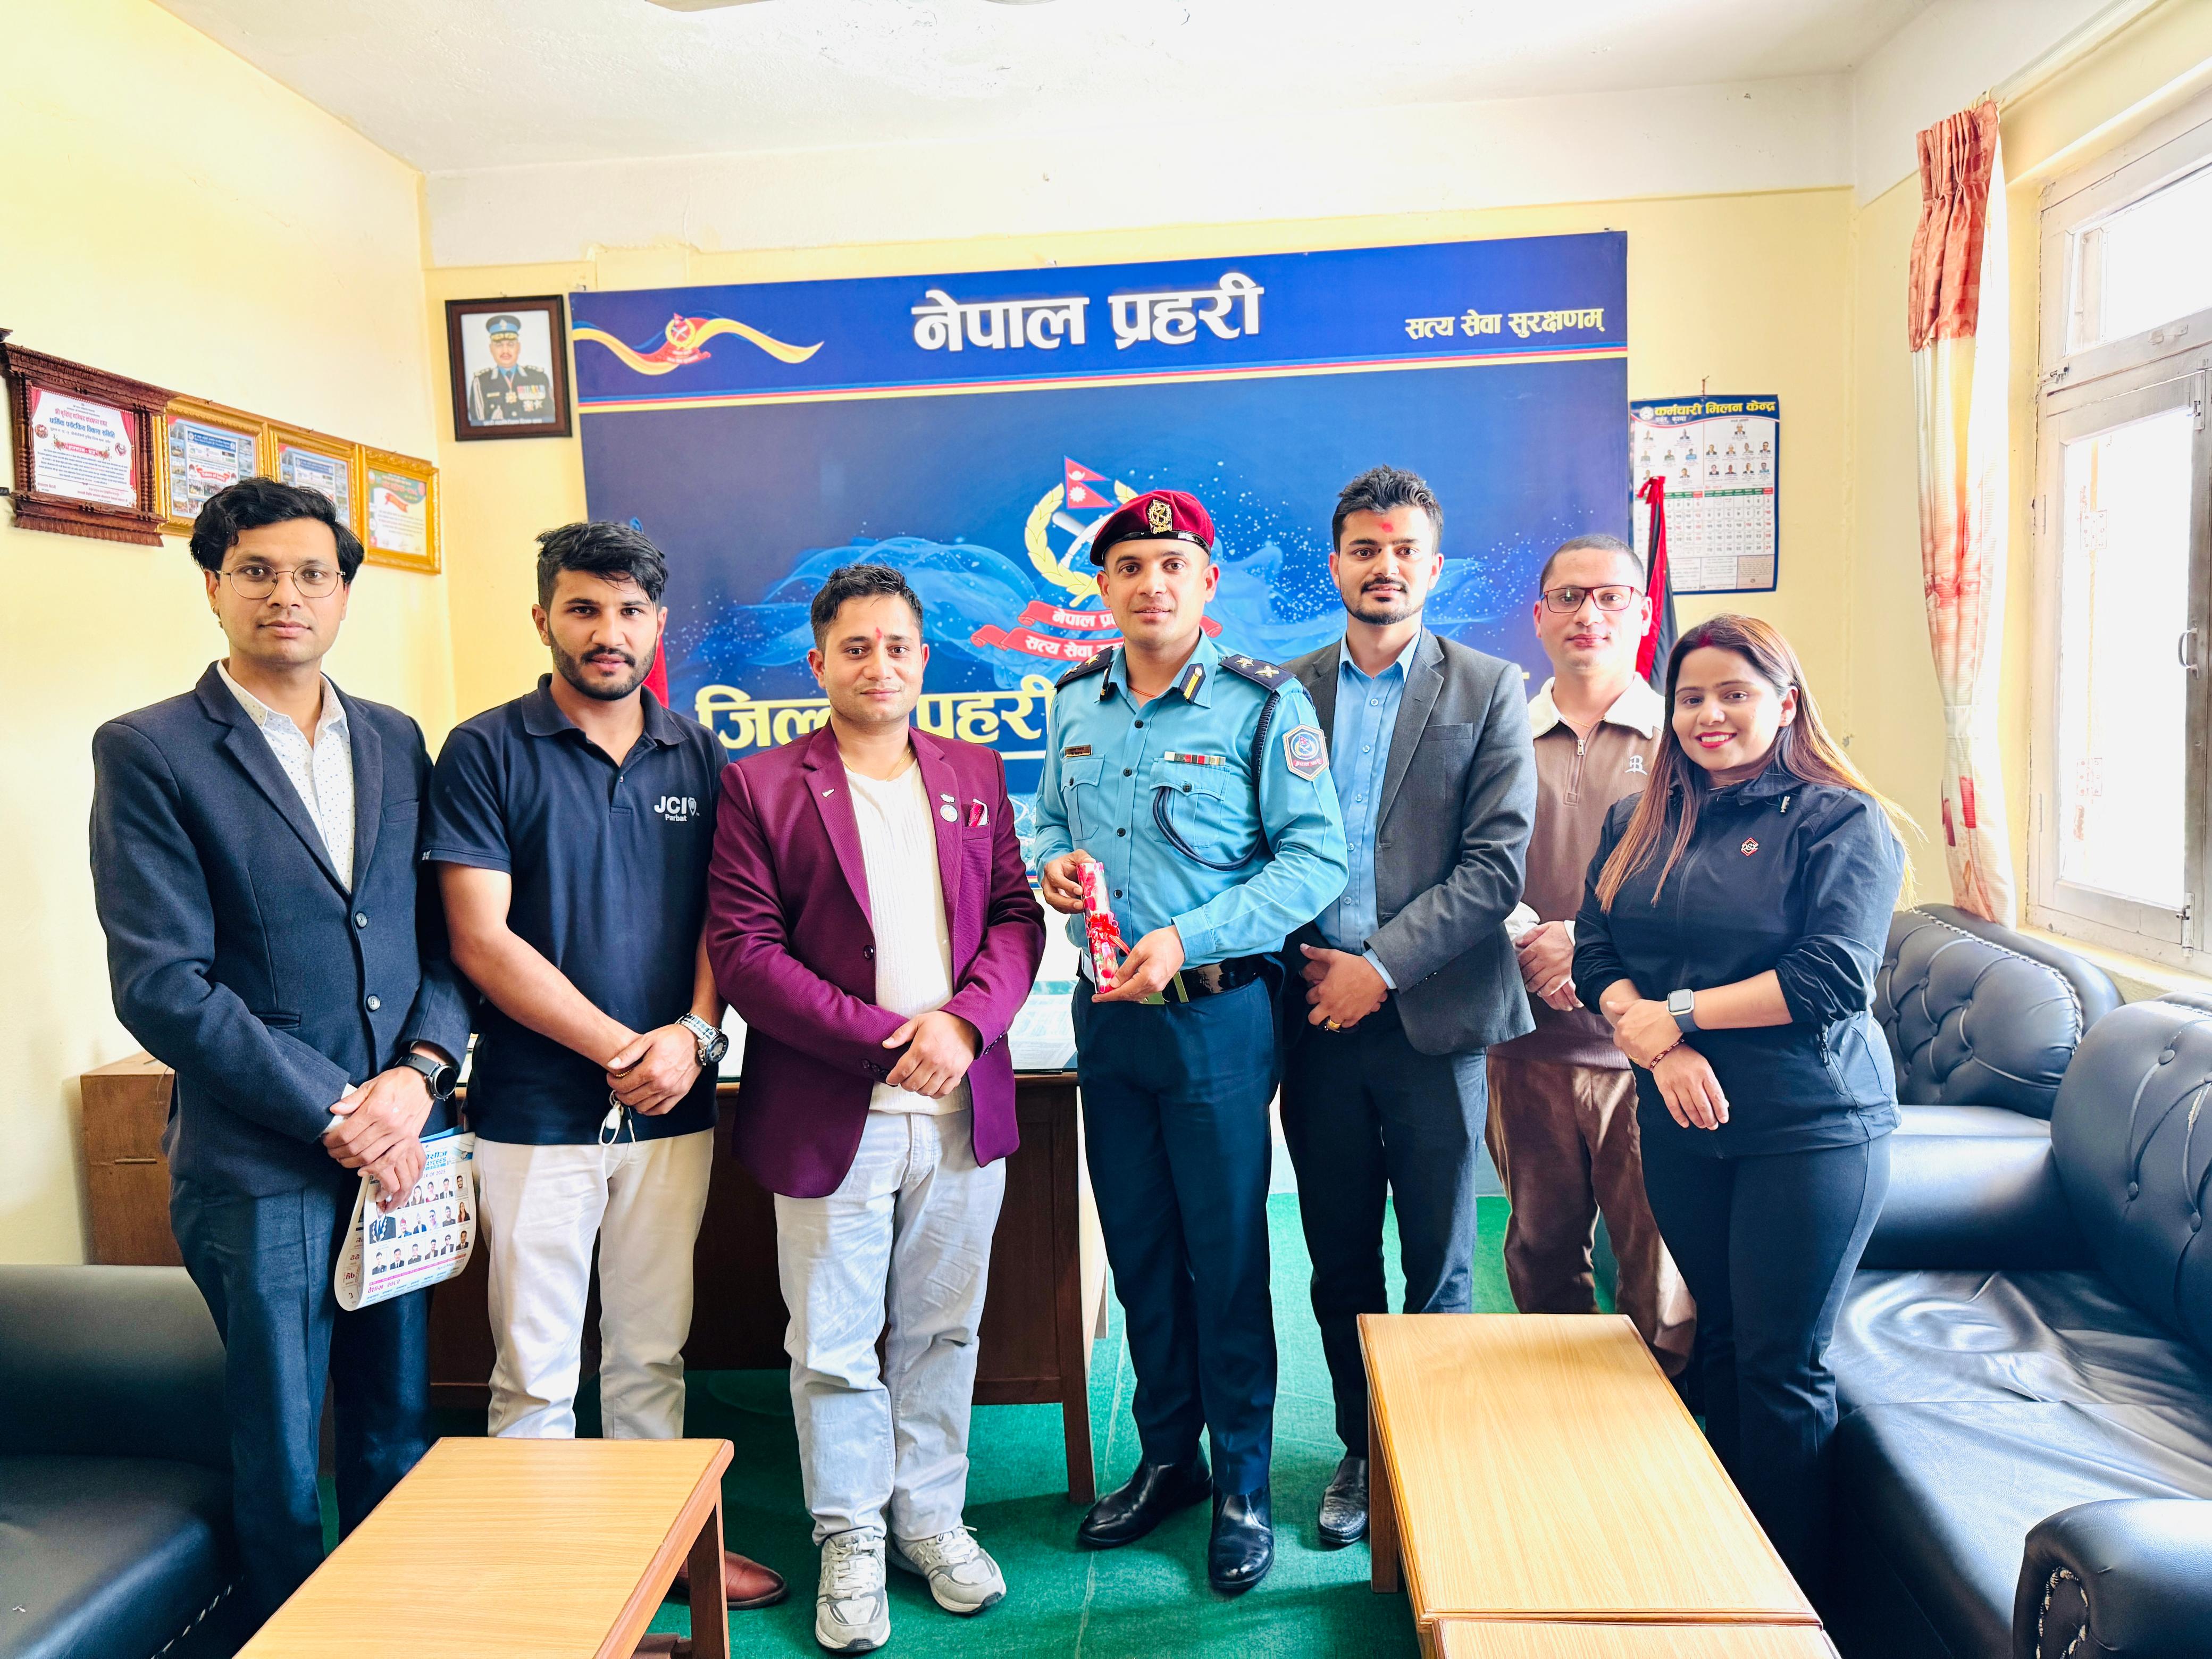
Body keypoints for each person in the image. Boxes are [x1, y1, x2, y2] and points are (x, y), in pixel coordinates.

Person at [89, 477, 472, 1624]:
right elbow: (161, 985)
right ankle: (287, 1637)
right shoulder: (151, 749)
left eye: (313, 573)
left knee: (395, 1426)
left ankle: (398, 1630)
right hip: (264, 1165)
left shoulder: (396, 738)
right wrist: (338, 1110)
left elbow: (438, 942)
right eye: (256, 571)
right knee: (281, 1451)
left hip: (403, 1147)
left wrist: (418, 1076)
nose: (286, 595)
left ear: (345, 591)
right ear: (213, 586)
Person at [425, 521, 782, 1610]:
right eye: (583, 608)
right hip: (535, 1109)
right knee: (535, 1365)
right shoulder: (485, 749)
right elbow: (481, 939)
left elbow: (729, 921)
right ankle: (548, 1580)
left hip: (674, 1102)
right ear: (544, 618)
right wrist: (626, 1048)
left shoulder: (701, 755)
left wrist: (695, 1038)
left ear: (658, 625)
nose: (608, 631)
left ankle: (658, 1553)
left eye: (630, 612)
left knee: (650, 1351)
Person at [705, 564, 1046, 1654]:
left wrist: (965, 1027)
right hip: (830, 1109)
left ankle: (930, 1519)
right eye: (855, 648)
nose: (879, 665)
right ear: (818, 663)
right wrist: (890, 1039)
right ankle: (849, 1535)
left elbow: (1015, 917)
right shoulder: (760, 785)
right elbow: (745, 953)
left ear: (923, 659)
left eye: (898, 646)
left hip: (959, 1104)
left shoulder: (973, 772)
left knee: (944, 1327)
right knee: (834, 1344)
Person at [1033, 489, 1348, 1594]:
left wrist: (1187, 936)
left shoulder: (1264, 707)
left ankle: (1243, 1483)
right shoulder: (1075, 700)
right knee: (1140, 1249)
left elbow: (1314, 861)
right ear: (1103, 587)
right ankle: (1171, 1457)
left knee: (1226, 1255)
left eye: (1172, 565)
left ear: (1207, 582)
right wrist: (1051, 862)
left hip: (1215, 1015)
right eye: (1128, 567)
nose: (1150, 584)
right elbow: (1048, 817)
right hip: (1106, 1018)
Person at [1572, 613, 1908, 1593]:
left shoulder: (1840, 819)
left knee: (1779, 1367)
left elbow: (1831, 977)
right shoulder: (1638, 819)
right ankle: (1721, 1571)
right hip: (1683, 1120)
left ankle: (1790, 1602)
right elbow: (1595, 951)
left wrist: (1672, 1015)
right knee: (1715, 1340)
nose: (1709, 715)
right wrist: (1658, 1042)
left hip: (1808, 1129)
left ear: (1786, 703)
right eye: (1691, 698)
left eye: (1735, 694)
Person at [1277, 466, 1536, 1547]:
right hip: (1312, 1024)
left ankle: (1427, 1458)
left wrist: (1376, 968)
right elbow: (1254, 846)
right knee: (1338, 1257)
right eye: (1364, 550)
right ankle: (1360, 1447)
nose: (1384, 567)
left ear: (1433, 567)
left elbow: (1495, 868)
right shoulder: (1282, 692)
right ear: (1336, 564)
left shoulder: (1490, 688)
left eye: (1404, 551)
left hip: (1434, 1019)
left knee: (1438, 1257)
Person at [1487, 534, 1695, 1377]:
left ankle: (1665, 1425)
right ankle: (1559, 1420)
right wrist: (1531, 936)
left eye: (1612, 597)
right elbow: (1467, 860)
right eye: (1570, 597)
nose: (1590, 614)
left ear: (1643, 616)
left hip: (1648, 1045)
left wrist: (1584, 942)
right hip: (1523, 1039)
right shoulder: (1499, 732)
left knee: (1660, 1265)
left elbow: (1699, 877)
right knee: (1541, 1251)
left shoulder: (1684, 735)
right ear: (1540, 616)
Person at [467, 313, 557, 427]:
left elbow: (549, 420)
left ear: (518, 347)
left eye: (510, 344)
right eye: (499, 345)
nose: (505, 351)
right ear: (491, 349)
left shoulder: (538, 378)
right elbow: (478, 426)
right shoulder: (481, 382)